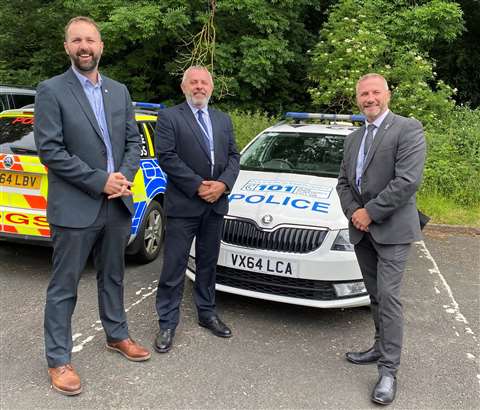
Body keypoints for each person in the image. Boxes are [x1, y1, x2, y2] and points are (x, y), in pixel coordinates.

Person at [34, 16, 150, 396]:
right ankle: (59, 359)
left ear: (101, 46)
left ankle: (116, 335)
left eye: (91, 40)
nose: (85, 47)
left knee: (113, 276)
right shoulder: (51, 91)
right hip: (76, 206)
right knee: (64, 286)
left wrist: (123, 177)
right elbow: (51, 150)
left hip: (116, 203)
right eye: (77, 41)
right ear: (67, 47)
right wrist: (99, 180)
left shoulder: (119, 91)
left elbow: (133, 142)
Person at [337, 73, 426, 405]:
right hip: (362, 231)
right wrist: (354, 213)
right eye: (363, 93)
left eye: (375, 92)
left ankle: (389, 371)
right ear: (357, 98)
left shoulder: (407, 129)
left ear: (387, 95)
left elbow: (407, 181)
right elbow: (343, 183)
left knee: (388, 297)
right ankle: (378, 346)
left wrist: (370, 212)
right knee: (374, 295)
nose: (369, 98)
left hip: (392, 230)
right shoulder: (353, 139)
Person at [154, 66, 240, 353]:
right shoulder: (169, 117)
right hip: (184, 205)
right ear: (184, 87)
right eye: (194, 82)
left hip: (215, 205)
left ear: (211, 88)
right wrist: (198, 185)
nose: (199, 86)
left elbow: (233, 157)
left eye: (204, 82)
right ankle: (167, 322)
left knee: (207, 263)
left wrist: (223, 185)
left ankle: (207, 313)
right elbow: (166, 156)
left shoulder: (223, 120)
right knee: (174, 266)